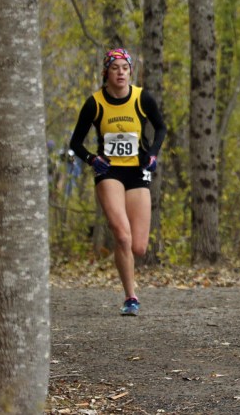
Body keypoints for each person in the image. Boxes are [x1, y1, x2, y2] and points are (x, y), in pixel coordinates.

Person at [70, 48, 167, 317]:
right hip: (109, 171)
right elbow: (75, 143)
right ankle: (130, 297)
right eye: (115, 68)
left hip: (137, 171)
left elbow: (161, 127)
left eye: (125, 68)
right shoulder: (95, 103)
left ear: (130, 72)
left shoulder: (141, 98)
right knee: (121, 235)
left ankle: (130, 286)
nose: (121, 72)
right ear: (106, 73)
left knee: (139, 246)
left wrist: (154, 153)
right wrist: (91, 160)